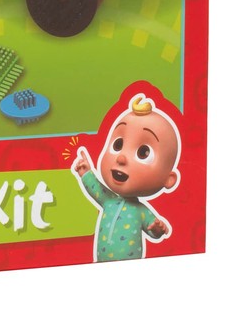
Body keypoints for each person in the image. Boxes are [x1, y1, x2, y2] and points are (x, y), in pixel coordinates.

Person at [72, 94, 181, 262]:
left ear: (169, 179)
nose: (121, 158)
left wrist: (158, 229)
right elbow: (95, 188)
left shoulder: (141, 211)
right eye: (118, 144)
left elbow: (153, 229)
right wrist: (86, 172)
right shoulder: (108, 200)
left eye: (143, 153)